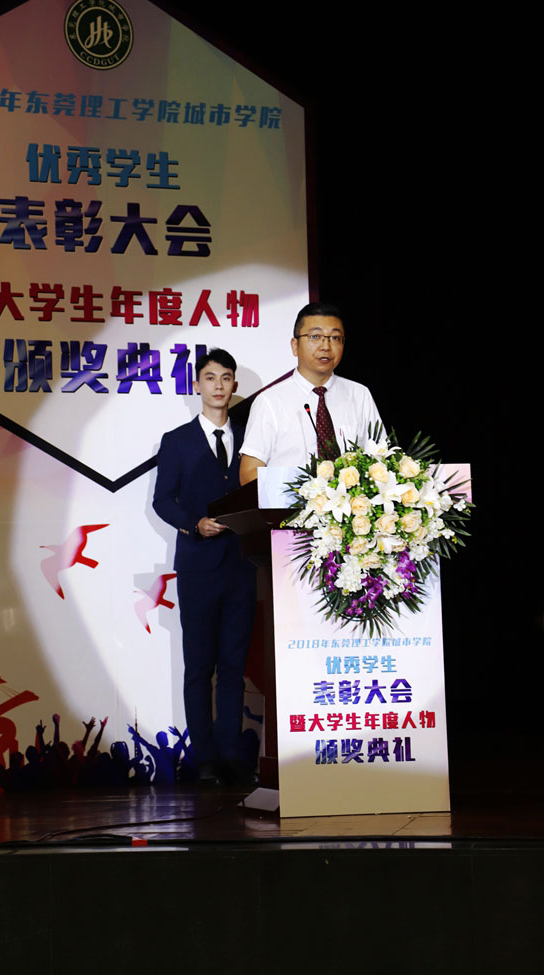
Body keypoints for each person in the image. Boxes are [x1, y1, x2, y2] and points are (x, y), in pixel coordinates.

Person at [153, 349, 257, 786]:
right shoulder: (177, 440)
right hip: (197, 565)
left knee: (234, 666)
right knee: (199, 667)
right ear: (196, 385)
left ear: (235, 386)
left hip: (242, 565)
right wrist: (193, 523)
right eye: (210, 378)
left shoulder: (251, 440)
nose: (218, 385)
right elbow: (162, 500)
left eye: (226, 377)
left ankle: (231, 758)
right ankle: (206, 760)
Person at [240, 302, 383, 483]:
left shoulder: (360, 395)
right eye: (315, 336)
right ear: (295, 345)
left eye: (335, 338)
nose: (326, 346)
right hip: (290, 501)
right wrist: (298, 490)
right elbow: (248, 473)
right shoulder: (270, 401)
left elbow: (382, 461)